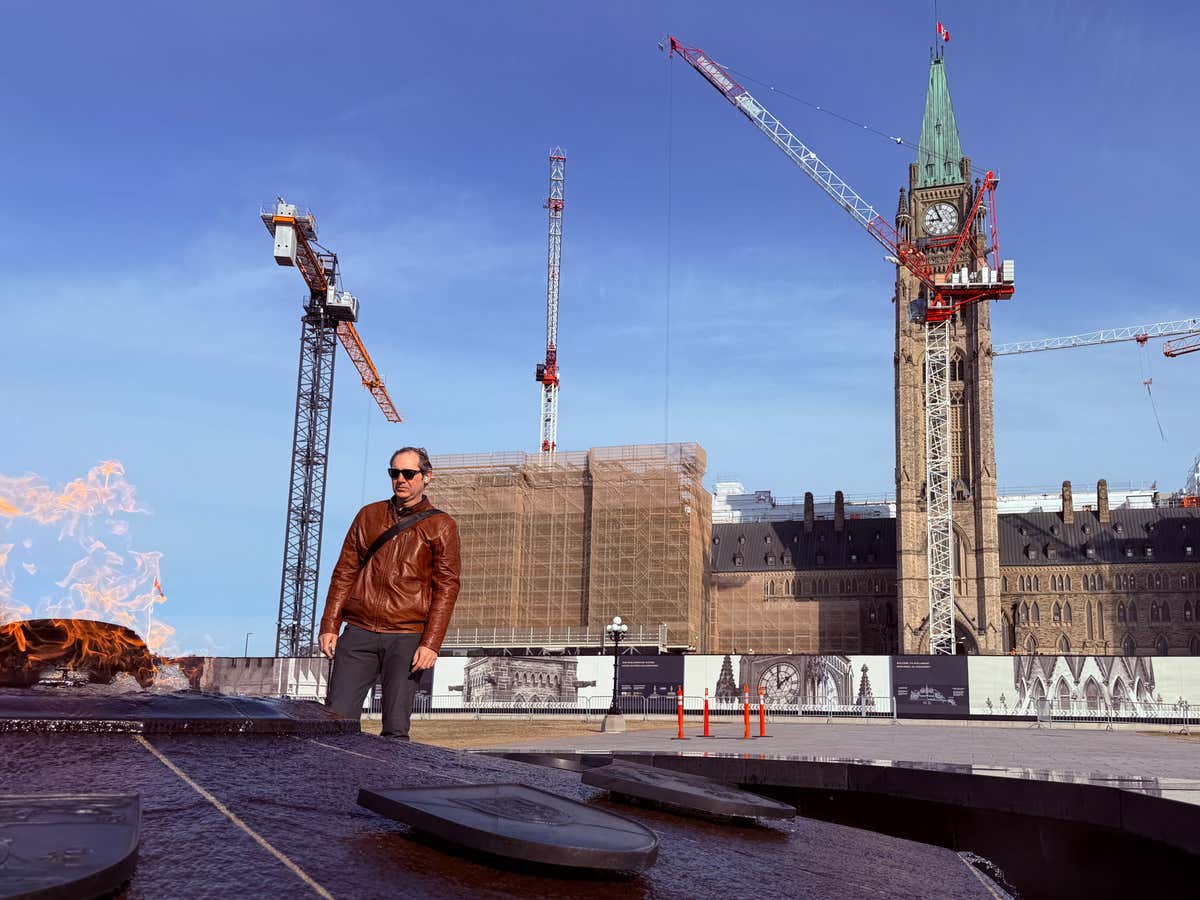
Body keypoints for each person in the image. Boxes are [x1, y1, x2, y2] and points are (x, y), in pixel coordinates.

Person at [318, 446, 460, 739]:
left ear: (426, 477)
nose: (401, 480)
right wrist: (330, 624)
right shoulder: (368, 515)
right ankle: (335, 784)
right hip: (359, 632)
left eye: (409, 473)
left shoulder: (441, 525)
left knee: (395, 728)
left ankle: (385, 783)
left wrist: (431, 643)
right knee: (335, 722)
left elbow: (447, 586)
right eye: (394, 473)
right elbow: (345, 571)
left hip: (407, 636)